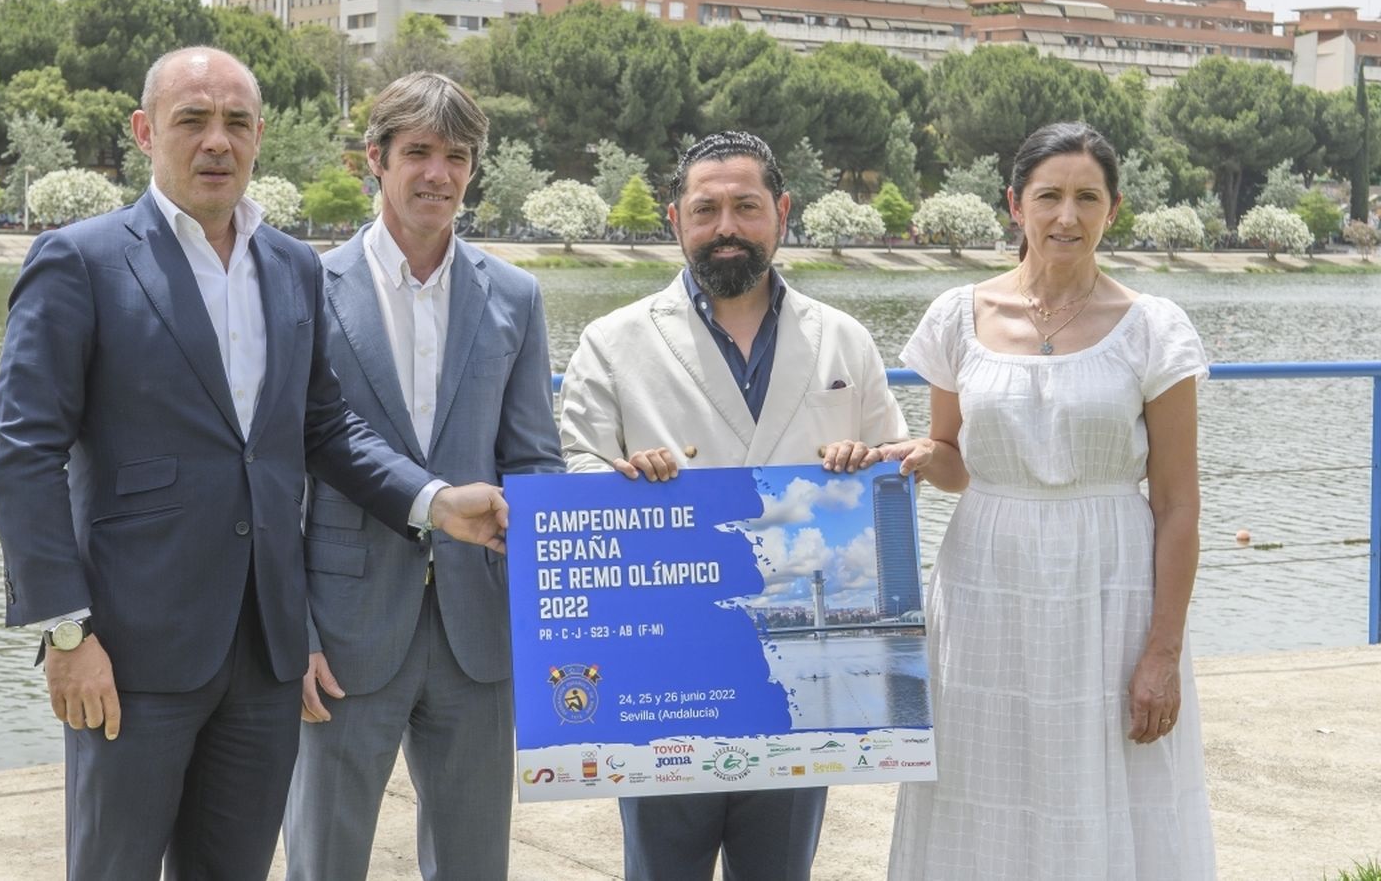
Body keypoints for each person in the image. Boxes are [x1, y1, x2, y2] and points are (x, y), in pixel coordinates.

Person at [0, 47, 509, 881]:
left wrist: (435, 501)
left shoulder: (291, 266)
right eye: (192, 120)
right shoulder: (79, 260)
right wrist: (64, 630)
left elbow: (324, 429)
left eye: (235, 122)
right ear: (145, 131)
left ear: (261, 135)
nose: (216, 141)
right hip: (129, 651)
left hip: (266, 656)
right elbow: (20, 455)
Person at [559, 130, 908, 881]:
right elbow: (570, 472)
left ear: (782, 212)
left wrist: (866, 462)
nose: (726, 227)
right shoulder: (612, 340)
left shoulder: (844, 340)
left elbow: (895, 470)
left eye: (746, 206)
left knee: (779, 869)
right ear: (673, 218)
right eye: (706, 208)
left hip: (802, 677)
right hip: (666, 667)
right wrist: (618, 477)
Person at [883, 121, 1217, 879]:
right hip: (983, 582)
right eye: (1049, 196)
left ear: (1114, 209)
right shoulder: (956, 316)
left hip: (1111, 584)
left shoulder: (1154, 329)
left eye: (1086, 197)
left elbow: (1177, 501)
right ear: (1015, 204)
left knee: (1104, 776)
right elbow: (956, 461)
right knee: (980, 775)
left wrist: (1162, 648)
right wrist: (913, 454)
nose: (1066, 216)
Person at [282, 73, 563, 880]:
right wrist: (294, 634)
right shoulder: (304, 284)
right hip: (343, 632)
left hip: (480, 633)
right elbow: (280, 479)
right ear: (374, 158)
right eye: (418, 153)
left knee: (476, 865)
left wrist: (546, 613)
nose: (438, 173)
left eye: (458, 156)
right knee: (324, 861)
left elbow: (534, 461)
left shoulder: (515, 294)